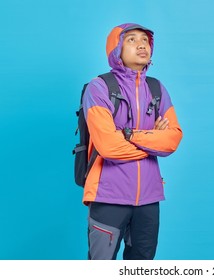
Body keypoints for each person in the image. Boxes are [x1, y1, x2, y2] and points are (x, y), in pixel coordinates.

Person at [82, 23, 183, 260]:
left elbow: (172, 139)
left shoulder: (157, 88)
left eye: (145, 41)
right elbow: (108, 146)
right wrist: (151, 141)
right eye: (131, 40)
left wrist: (128, 135)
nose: (141, 45)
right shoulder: (99, 87)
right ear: (116, 48)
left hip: (149, 198)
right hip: (108, 196)